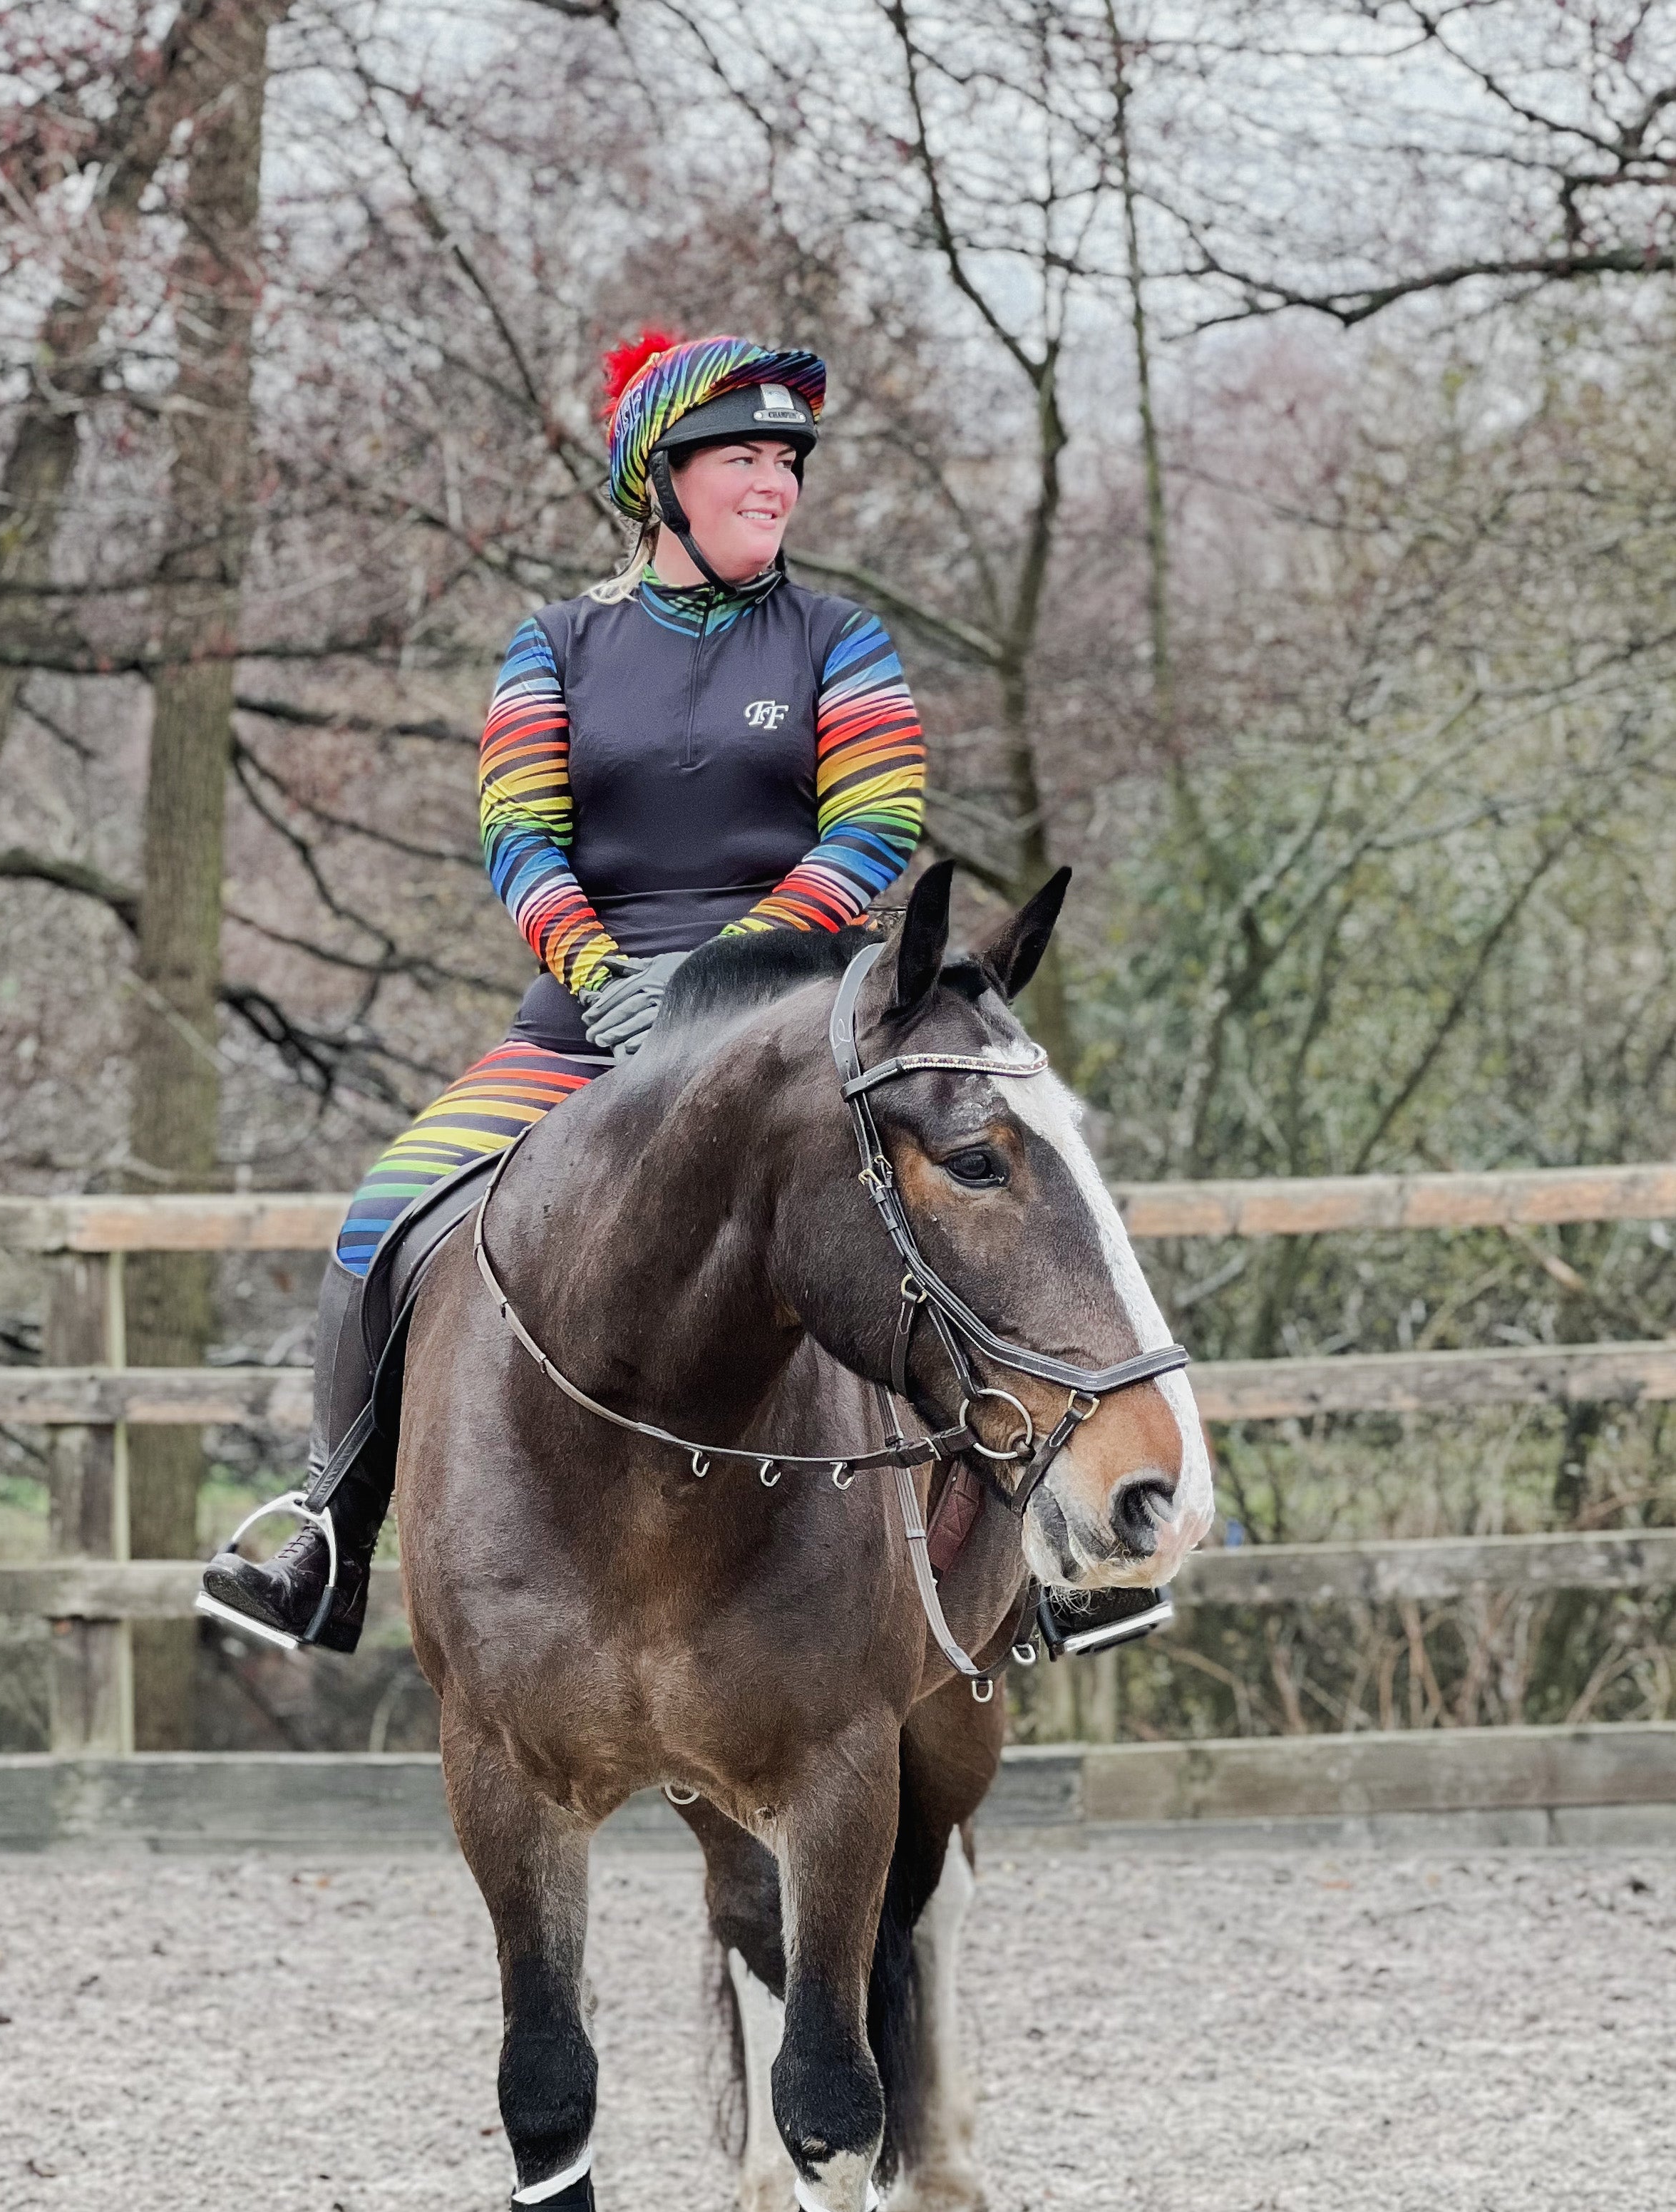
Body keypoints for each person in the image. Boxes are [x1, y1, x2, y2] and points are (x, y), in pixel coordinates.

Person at [198, 329, 1171, 1665]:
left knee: (963, 1217)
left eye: (786, 462)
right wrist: (602, 978)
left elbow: (876, 824)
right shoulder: (553, 646)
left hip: (803, 1025)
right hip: (582, 1021)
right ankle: (327, 1532)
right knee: (381, 1219)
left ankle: (1034, 1570)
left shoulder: (843, 640)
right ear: (658, 479)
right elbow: (517, 834)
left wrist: (732, 970)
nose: (773, 482)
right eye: (742, 458)